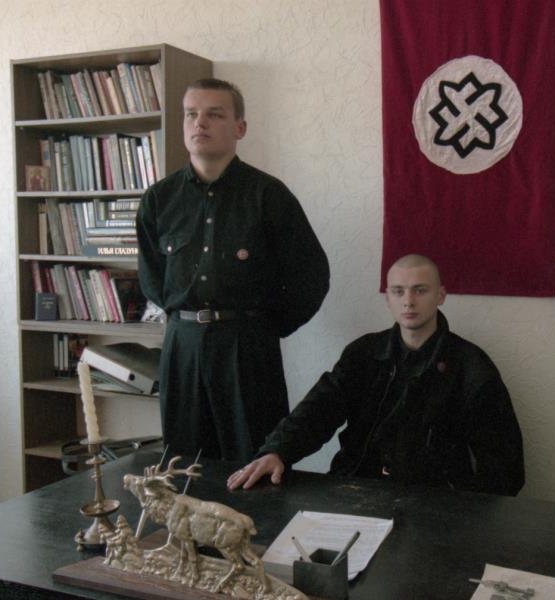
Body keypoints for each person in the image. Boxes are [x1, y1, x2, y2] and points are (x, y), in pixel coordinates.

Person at [137, 78, 329, 462]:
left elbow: (311, 277)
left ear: (239, 127)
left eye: (214, 114)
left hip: (247, 349)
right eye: (191, 114)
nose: (199, 123)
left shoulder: (268, 195)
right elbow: (152, 277)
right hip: (182, 347)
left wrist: (264, 327)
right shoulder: (159, 199)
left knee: (254, 459)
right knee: (183, 464)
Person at [227, 254, 524, 496]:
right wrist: (277, 451)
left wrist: (457, 512)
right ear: (387, 299)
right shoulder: (364, 353)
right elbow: (318, 409)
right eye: (398, 291)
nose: (408, 301)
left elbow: (504, 469)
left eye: (420, 290)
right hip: (355, 488)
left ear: (441, 295)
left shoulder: (471, 366)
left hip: (431, 506)